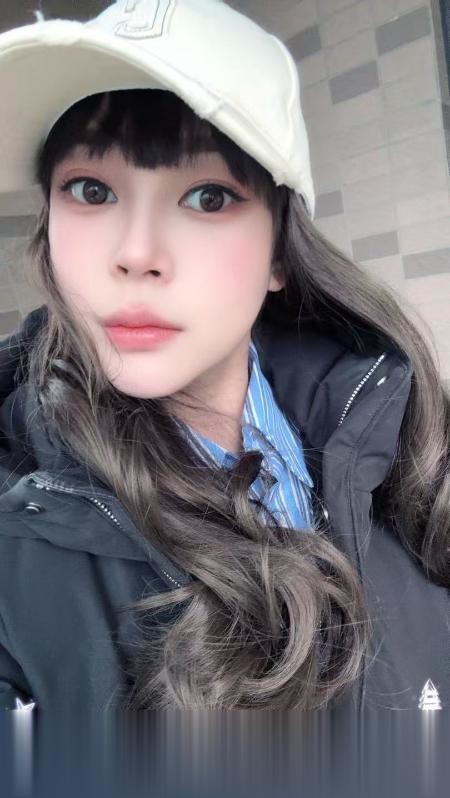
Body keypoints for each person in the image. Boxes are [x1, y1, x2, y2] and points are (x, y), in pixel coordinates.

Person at [0, 0, 448, 713]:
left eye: (208, 197)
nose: (136, 253)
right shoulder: (17, 544)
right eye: (91, 191)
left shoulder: (409, 449)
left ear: (280, 253)